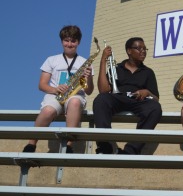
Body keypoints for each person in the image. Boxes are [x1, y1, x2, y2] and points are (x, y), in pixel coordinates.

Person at [23, 25, 94, 153]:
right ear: (62, 41)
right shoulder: (52, 60)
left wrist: (88, 78)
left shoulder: (85, 62)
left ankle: (69, 145)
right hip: (55, 94)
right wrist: (56, 89)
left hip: (75, 94)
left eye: (73, 41)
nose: (70, 44)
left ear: (78, 42)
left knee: (75, 102)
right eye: (66, 40)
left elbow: (88, 90)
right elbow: (42, 85)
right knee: (48, 111)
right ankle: (31, 144)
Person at [94, 37, 162, 155]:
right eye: (139, 48)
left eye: (144, 48)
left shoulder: (148, 72)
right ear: (129, 51)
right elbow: (103, 90)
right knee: (101, 100)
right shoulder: (116, 68)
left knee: (155, 108)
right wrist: (103, 60)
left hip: (138, 100)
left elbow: (156, 98)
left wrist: (147, 92)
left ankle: (131, 150)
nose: (143, 51)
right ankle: (105, 145)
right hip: (118, 98)